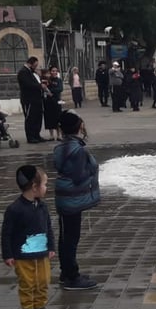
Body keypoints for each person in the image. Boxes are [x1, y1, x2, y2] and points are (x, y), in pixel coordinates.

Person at [2, 166, 57, 309]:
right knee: (27, 283)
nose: (47, 188)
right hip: (23, 256)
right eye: (45, 184)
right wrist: (8, 254)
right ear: (34, 187)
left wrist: (51, 246)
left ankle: (40, 308)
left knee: (43, 281)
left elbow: (48, 227)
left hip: (42, 254)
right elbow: (6, 234)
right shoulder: (14, 209)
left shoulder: (42, 206)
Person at [53, 111, 101, 292]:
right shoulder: (77, 150)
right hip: (70, 199)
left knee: (67, 236)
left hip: (67, 197)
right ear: (78, 126)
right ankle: (71, 276)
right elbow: (79, 176)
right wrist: (91, 172)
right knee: (69, 238)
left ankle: (67, 272)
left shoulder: (64, 146)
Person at [18, 57, 44, 143]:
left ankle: (37, 135)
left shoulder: (32, 72)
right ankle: (31, 136)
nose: (36, 67)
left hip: (37, 99)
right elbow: (28, 84)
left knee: (37, 117)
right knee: (30, 118)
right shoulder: (23, 72)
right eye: (35, 65)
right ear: (30, 63)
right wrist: (40, 86)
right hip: (29, 99)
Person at [42, 66, 63, 141]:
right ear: (50, 72)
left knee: (58, 118)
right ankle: (51, 135)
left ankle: (59, 135)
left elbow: (60, 89)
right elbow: (44, 88)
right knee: (49, 118)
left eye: (56, 71)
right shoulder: (47, 80)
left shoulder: (59, 80)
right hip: (48, 102)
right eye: (53, 71)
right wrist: (48, 91)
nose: (54, 72)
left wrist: (52, 92)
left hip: (56, 101)